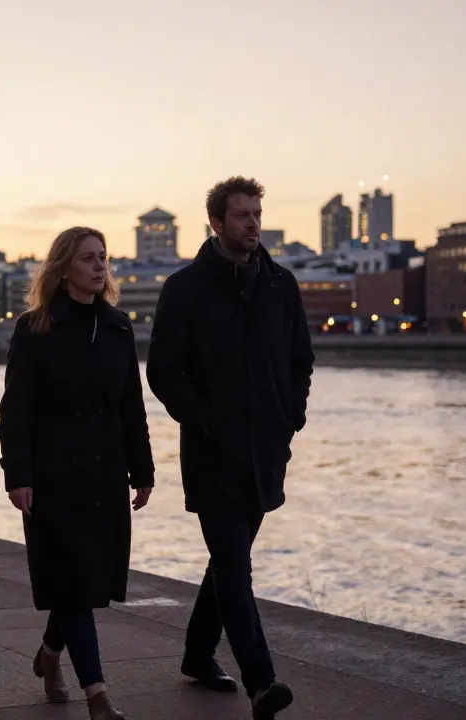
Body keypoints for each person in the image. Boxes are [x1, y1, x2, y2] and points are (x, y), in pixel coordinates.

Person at [146, 176, 314, 719]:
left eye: (256, 215)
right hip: (213, 453)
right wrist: (206, 422)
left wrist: (291, 419)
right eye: (241, 216)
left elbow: (299, 360)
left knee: (228, 562)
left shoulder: (280, 285)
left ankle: (198, 654)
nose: (252, 224)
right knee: (236, 567)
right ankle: (262, 682)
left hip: (266, 451)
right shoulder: (185, 289)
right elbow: (164, 372)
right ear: (216, 223)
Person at [0, 226, 155, 720]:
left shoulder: (118, 328)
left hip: (105, 476)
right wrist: (17, 474)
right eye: (88, 258)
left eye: (103, 257)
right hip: (53, 479)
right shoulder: (35, 328)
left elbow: (132, 406)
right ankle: (98, 696)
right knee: (73, 582)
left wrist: (143, 469)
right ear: (64, 267)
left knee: (84, 583)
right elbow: (15, 411)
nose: (99, 265)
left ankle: (49, 655)